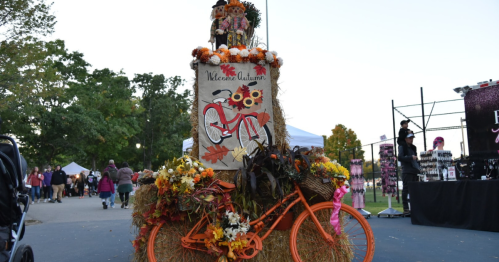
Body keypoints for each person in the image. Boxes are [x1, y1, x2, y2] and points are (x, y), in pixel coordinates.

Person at [398, 133, 420, 216]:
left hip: (414, 170)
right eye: (410, 138)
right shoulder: (402, 146)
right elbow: (400, 157)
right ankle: (406, 208)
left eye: (412, 138)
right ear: (405, 139)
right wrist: (410, 157)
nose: (411, 139)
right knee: (406, 189)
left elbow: (415, 158)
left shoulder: (413, 147)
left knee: (414, 189)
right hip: (407, 170)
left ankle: (413, 207)